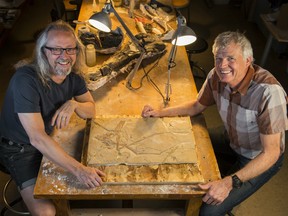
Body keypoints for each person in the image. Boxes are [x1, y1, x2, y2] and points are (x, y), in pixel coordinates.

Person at [141, 31, 287, 215]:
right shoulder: (216, 76)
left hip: (258, 156)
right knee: (181, 141)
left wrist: (229, 182)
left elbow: (271, 153)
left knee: (208, 211)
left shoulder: (269, 93)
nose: (222, 65)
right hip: (231, 139)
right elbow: (196, 106)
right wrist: (160, 112)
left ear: (248, 60)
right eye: (218, 58)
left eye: (230, 58)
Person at [0, 20, 105, 215]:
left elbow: (91, 110)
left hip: (50, 137)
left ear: (76, 52)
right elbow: (37, 138)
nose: (64, 56)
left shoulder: (73, 77)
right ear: (43, 52)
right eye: (56, 50)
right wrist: (79, 170)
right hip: (20, 148)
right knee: (46, 212)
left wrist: (74, 104)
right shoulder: (26, 81)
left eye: (70, 49)